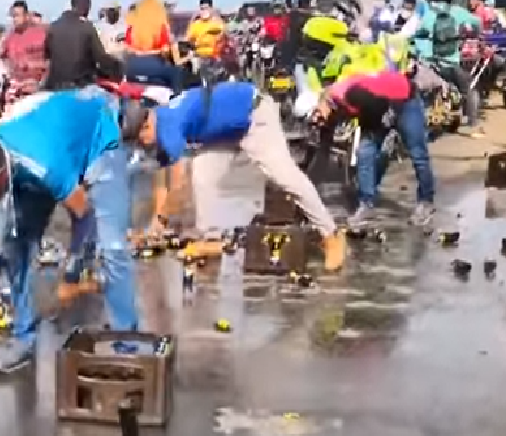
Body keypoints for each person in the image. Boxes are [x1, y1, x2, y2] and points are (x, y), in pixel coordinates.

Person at [0, 88, 142, 372]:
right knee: (14, 244)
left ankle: (127, 340)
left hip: (96, 136)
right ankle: (24, 337)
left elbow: (84, 216)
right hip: (44, 147)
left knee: (111, 247)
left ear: (2, 177)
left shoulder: (44, 164)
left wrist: (72, 272)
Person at [138, 81, 346, 269]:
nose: (143, 146)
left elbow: (178, 182)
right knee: (201, 172)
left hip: (254, 113)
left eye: (141, 140)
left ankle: (331, 234)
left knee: (284, 176)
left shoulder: (169, 127)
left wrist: (161, 220)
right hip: (226, 130)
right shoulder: (159, 116)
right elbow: (163, 173)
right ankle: (211, 240)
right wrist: (154, 227)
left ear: (146, 126)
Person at [305, 70, 436, 226]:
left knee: (417, 153)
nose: (318, 120)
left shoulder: (349, 94)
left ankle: (426, 202)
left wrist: (388, 127)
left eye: (317, 115)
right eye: (316, 121)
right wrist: (307, 192)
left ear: (320, 102)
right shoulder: (330, 109)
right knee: (364, 152)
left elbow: (377, 105)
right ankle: (366, 204)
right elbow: (323, 153)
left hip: (403, 99)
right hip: (376, 106)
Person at [414, 0, 481, 136]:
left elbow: (417, 34)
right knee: (469, 89)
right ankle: (473, 123)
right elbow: (477, 22)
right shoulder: (457, 12)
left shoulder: (428, 14)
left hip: (430, 63)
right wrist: (474, 33)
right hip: (451, 63)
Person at [44, 0, 123, 89]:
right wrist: (118, 67)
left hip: (55, 86)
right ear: (86, 6)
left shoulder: (53, 27)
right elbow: (101, 58)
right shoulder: (87, 27)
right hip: (81, 86)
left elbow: (48, 56)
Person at [124, 0, 183, 91]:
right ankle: (176, 99)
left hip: (132, 66)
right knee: (176, 70)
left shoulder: (133, 24)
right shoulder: (160, 24)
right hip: (153, 62)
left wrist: (140, 52)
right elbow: (165, 51)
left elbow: (127, 48)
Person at [0, 1, 48, 100]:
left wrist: (41, 79)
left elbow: (50, 60)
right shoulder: (10, 38)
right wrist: (9, 72)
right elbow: (2, 58)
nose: (14, 19)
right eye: (13, 16)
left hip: (37, 89)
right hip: (16, 90)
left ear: (26, 16)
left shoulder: (41, 34)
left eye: (17, 16)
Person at [186, 0, 226, 71]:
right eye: (202, 9)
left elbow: (221, 37)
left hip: (214, 57)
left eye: (206, 8)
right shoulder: (195, 25)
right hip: (199, 57)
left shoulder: (217, 23)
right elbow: (188, 40)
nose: (204, 11)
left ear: (211, 9)